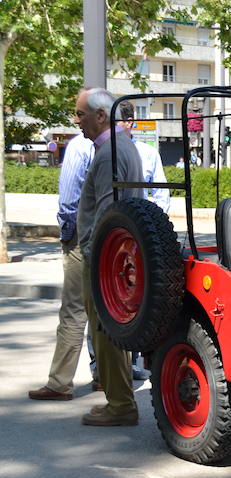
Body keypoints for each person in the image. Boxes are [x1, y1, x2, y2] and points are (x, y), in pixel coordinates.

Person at [74, 87, 144, 426]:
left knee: (103, 331)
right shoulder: (118, 147)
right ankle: (120, 400)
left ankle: (119, 404)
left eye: (81, 115)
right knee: (108, 331)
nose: (77, 122)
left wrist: (93, 257)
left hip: (105, 259)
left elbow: (106, 213)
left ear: (101, 116)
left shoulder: (111, 152)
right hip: (115, 255)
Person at [27, 130, 99, 401]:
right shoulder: (124, 146)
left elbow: (69, 200)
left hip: (82, 233)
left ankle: (59, 383)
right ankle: (108, 378)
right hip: (113, 234)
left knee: (73, 309)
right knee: (106, 308)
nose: (77, 120)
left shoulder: (80, 147)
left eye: (81, 114)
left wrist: (68, 233)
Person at [116, 100, 170, 213]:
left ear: (128, 122)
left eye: (115, 121)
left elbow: (161, 194)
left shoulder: (148, 153)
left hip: (138, 221)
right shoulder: (98, 150)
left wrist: (156, 222)